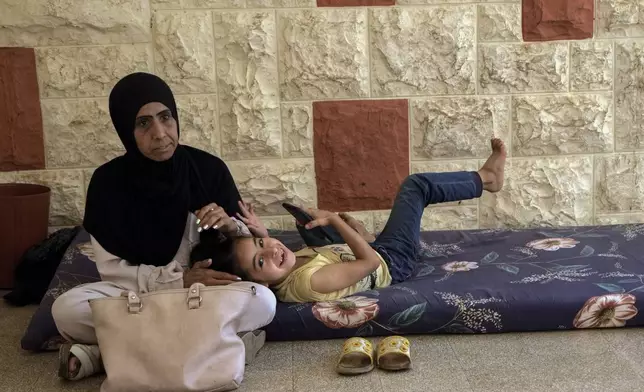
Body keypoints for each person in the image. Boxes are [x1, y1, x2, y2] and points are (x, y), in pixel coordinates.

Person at [51, 72, 269, 381]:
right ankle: (210, 347)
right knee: (66, 309)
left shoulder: (208, 170)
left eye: (165, 117)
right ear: (126, 129)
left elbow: (245, 247)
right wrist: (174, 283)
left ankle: (106, 354)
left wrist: (230, 227)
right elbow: (112, 269)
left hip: (201, 294)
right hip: (141, 293)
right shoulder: (107, 184)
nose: (160, 133)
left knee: (263, 301)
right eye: (143, 123)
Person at [229, 138, 507, 303]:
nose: (271, 249)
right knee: (415, 187)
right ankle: (488, 179)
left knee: (308, 230)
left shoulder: (284, 266)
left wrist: (261, 233)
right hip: (392, 261)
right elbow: (371, 263)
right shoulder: (305, 283)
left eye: (262, 242)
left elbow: (270, 253)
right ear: (260, 285)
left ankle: (365, 237)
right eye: (260, 261)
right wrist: (335, 221)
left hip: (369, 249)